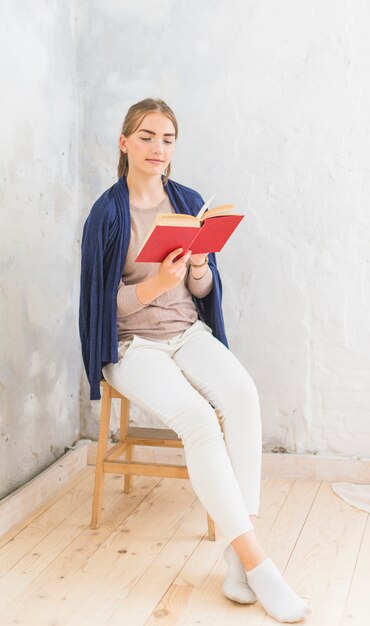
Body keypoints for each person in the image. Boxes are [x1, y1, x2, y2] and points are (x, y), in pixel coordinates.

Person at [79, 98, 311, 623]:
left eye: (167, 138)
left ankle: (235, 553)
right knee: (199, 419)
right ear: (124, 143)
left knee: (243, 394)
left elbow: (202, 290)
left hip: (186, 332)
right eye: (146, 137)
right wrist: (156, 284)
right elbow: (99, 306)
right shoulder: (107, 213)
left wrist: (199, 266)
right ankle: (258, 563)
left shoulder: (187, 201)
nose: (157, 148)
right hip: (131, 345)